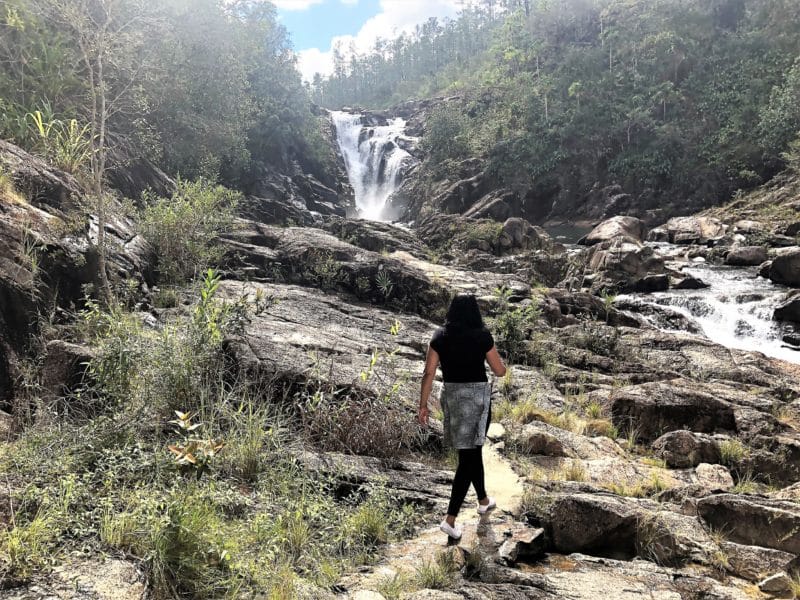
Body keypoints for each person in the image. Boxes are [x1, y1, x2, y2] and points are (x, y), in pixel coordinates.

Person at [418, 294, 507, 540]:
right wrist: (503, 366)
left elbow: (428, 373)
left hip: (452, 397)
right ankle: (450, 519)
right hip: (477, 399)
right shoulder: (482, 335)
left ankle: (483, 500)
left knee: (470, 451)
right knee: (468, 458)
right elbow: (499, 370)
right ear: (474, 312)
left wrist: (423, 405)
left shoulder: (439, 337)